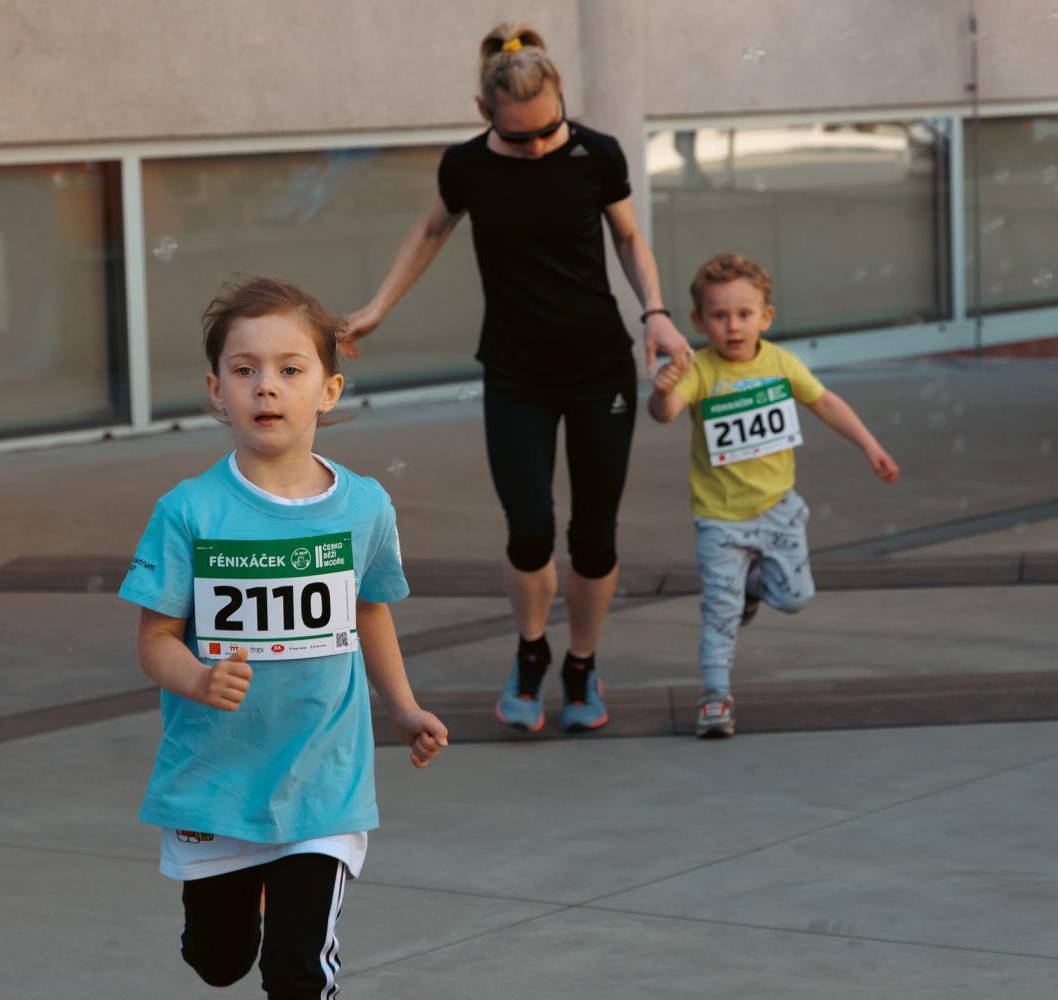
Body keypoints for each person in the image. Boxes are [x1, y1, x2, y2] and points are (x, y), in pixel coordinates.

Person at [341, 23, 693, 733]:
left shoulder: (597, 153)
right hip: (515, 372)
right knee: (529, 529)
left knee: (594, 536)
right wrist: (377, 308)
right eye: (520, 136)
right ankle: (532, 654)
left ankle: (582, 664)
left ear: (562, 99)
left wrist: (654, 311)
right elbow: (432, 231)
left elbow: (628, 236)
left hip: (598, 367)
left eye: (549, 129)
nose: (537, 146)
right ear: (484, 111)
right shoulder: (467, 166)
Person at [118, 277, 448, 998]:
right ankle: (232, 912)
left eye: (290, 369)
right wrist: (199, 677)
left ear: (329, 390)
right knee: (219, 961)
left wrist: (402, 707)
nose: (266, 386)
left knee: (298, 970)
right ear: (217, 391)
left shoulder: (364, 506)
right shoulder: (188, 512)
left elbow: (369, 612)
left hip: (324, 779)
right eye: (245, 370)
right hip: (217, 778)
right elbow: (155, 639)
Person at [648, 254, 899, 737]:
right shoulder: (700, 370)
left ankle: (752, 588)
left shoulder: (780, 363)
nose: (733, 326)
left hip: (778, 510)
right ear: (698, 322)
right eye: (719, 316)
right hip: (720, 519)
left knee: (796, 597)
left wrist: (871, 446)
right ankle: (715, 696)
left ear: (766, 317)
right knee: (719, 612)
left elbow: (825, 401)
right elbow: (665, 412)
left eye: (744, 314)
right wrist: (662, 391)